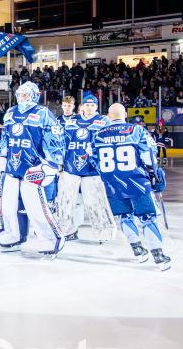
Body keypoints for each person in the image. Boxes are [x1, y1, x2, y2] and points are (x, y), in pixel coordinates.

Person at [91, 103, 170, 271]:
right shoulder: (137, 130)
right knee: (147, 217)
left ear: (108, 116)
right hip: (137, 182)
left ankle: (138, 250)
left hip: (112, 184)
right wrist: (154, 174)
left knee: (124, 217)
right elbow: (149, 156)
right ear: (125, 114)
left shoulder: (97, 134)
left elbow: (94, 160)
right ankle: (158, 255)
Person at [0, 81, 66, 256]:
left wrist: (52, 163)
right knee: (8, 205)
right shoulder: (10, 113)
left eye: (26, 94)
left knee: (36, 207)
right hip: (12, 167)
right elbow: (5, 138)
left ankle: (51, 239)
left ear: (33, 95)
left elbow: (54, 138)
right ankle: (12, 234)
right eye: (20, 94)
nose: (22, 97)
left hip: (33, 168)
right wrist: (1, 159)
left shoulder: (43, 113)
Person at [55, 95, 115, 242]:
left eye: (92, 105)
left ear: (96, 107)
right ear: (82, 106)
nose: (89, 108)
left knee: (96, 202)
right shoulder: (72, 121)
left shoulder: (103, 121)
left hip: (92, 169)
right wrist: (59, 162)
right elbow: (61, 143)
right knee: (65, 201)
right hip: (70, 167)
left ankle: (104, 233)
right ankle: (65, 231)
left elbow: (108, 143)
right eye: (87, 105)